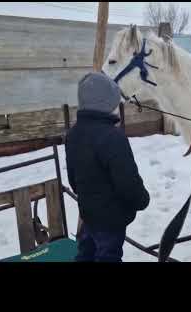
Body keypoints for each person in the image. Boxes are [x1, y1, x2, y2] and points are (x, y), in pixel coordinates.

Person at [65, 72, 150, 262]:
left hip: (88, 213)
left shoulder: (73, 134)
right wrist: (142, 199)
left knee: (86, 251)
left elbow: (73, 179)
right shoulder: (113, 137)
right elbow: (128, 182)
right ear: (106, 103)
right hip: (112, 219)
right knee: (108, 255)